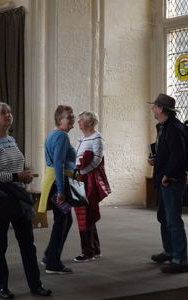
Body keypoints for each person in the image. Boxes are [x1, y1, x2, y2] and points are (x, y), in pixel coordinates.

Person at [0, 102, 51, 299]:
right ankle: (1, 286)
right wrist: (17, 176)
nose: (8, 115)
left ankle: (36, 284)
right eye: (3, 113)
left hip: (19, 197)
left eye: (10, 112)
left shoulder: (11, 140)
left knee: (28, 244)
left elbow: (15, 167)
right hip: (0, 199)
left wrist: (23, 177)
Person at [147, 93, 188, 274]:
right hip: (164, 178)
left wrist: (168, 174)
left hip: (171, 180)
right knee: (164, 217)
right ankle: (170, 251)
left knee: (173, 220)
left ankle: (180, 260)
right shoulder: (164, 127)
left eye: (155, 106)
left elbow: (179, 155)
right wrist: (156, 159)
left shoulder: (173, 128)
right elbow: (169, 152)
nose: (152, 109)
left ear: (161, 109)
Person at [38, 105, 76, 274]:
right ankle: (52, 262)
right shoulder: (61, 136)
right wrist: (61, 190)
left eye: (73, 116)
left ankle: (49, 255)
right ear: (59, 120)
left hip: (54, 182)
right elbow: (59, 163)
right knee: (63, 220)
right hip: (58, 184)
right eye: (69, 117)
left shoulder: (54, 134)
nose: (72, 120)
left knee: (65, 220)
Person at [73, 111, 111, 262]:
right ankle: (94, 248)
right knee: (85, 214)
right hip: (80, 178)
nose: (78, 122)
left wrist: (81, 172)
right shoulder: (81, 139)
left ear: (89, 122)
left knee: (86, 214)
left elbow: (96, 160)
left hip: (88, 180)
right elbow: (78, 157)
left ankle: (88, 251)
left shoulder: (97, 137)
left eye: (81, 120)